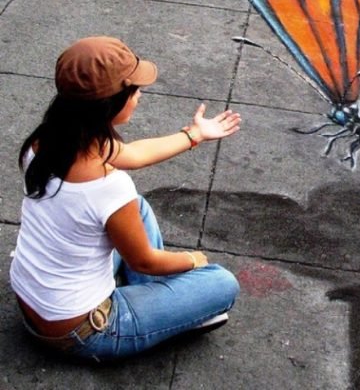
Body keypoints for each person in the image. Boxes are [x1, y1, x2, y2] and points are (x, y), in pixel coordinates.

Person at [9, 36, 241, 362]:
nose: (140, 95)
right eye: (134, 90)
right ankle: (164, 308)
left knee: (139, 208)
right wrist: (195, 258)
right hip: (83, 331)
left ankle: (160, 299)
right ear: (110, 104)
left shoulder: (47, 141)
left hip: (34, 302)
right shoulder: (108, 186)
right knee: (221, 283)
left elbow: (132, 153)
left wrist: (195, 135)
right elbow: (143, 261)